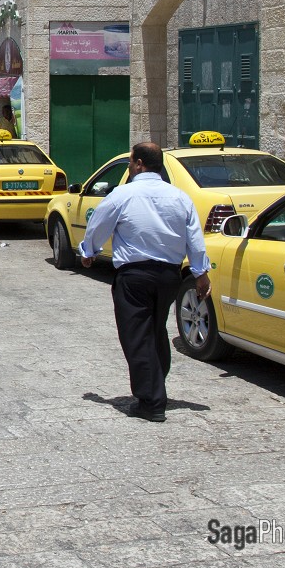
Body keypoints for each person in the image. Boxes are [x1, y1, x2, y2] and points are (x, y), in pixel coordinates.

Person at [79, 141, 211, 423]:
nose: (129, 165)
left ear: (139, 163)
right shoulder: (179, 197)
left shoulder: (123, 194)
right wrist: (200, 273)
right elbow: (195, 239)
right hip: (168, 277)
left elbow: (98, 225)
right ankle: (156, 381)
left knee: (136, 335)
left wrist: (88, 252)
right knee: (155, 329)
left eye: (130, 161)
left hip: (134, 276)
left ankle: (151, 401)